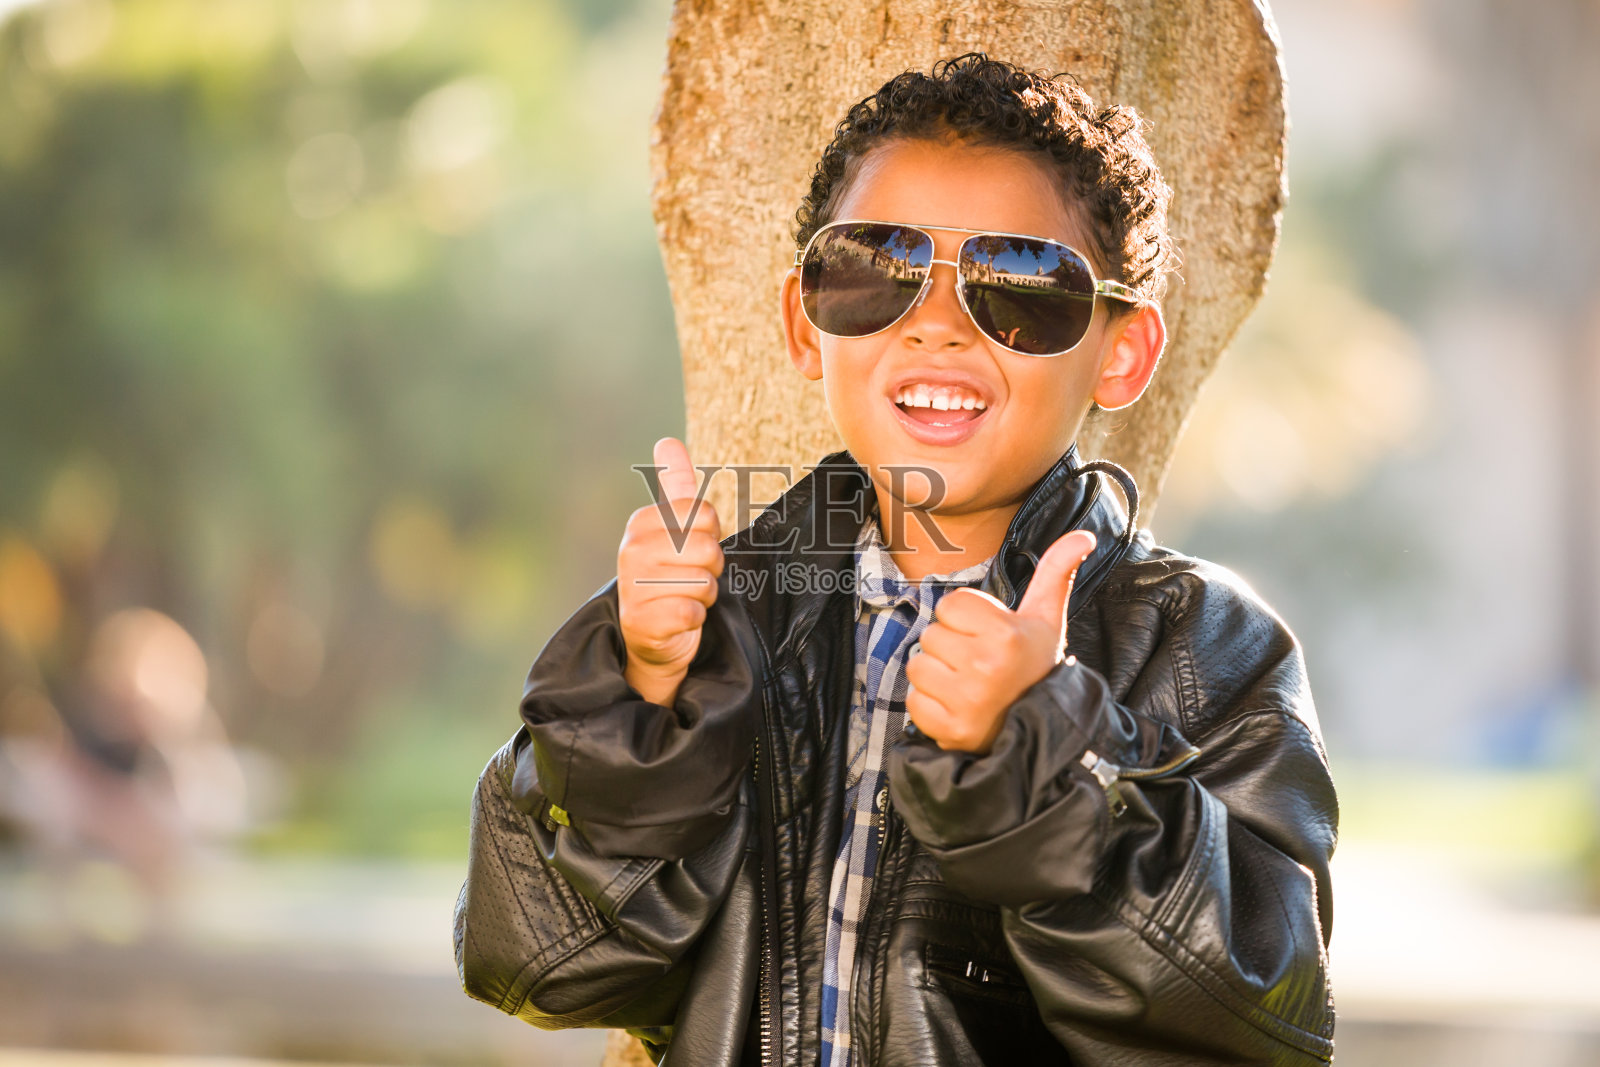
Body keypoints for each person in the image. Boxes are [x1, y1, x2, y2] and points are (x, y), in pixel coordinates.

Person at [454, 54, 1338, 1066]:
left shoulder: (1199, 644)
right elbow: (537, 963)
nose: (937, 324)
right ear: (803, 321)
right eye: (875, 267)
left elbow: (1261, 1015)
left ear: (1123, 351)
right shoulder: (727, 619)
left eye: (1018, 284)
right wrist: (644, 699)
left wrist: (1041, 750)